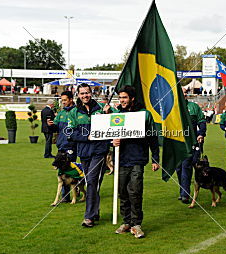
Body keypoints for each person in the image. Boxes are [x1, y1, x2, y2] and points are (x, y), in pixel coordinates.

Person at [112, 86, 160, 238]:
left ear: (132, 98)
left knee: (135, 192)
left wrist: (155, 159)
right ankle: (126, 222)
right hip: (121, 159)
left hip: (137, 159)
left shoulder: (145, 114)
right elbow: (108, 135)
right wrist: (112, 142)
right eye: (120, 98)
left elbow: (153, 137)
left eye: (124, 97)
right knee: (122, 193)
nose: (122, 101)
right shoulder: (117, 114)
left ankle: (136, 224)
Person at [67, 83, 111, 227]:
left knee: (91, 181)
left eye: (87, 93)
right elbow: (70, 133)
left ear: (91, 93)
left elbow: (117, 121)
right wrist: (87, 137)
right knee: (92, 183)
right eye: (82, 93)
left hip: (99, 152)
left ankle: (89, 217)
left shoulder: (101, 109)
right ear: (78, 95)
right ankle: (95, 211)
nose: (85, 95)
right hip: (84, 153)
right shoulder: (74, 112)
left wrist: (109, 114)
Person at [176, 88, 206, 203]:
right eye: (181, 92)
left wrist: (201, 134)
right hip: (177, 142)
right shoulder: (173, 108)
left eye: (185, 92)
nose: (183, 94)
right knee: (178, 168)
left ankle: (185, 194)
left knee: (186, 166)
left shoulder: (194, 107)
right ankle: (182, 189)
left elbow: (202, 121)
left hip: (190, 142)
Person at [47, 91, 77, 202]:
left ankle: (71, 194)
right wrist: (51, 126)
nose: (63, 102)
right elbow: (56, 128)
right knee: (61, 171)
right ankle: (66, 196)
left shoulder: (76, 112)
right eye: (62, 100)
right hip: (61, 145)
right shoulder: (61, 113)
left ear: (71, 99)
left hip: (72, 146)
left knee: (69, 171)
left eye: (65, 100)